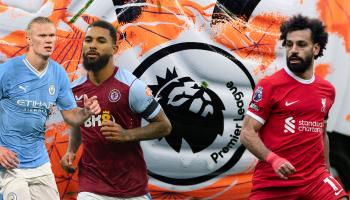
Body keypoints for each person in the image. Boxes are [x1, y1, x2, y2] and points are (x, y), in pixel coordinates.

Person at [60, 20, 172, 200]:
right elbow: (77, 124)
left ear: (114, 48)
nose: (93, 45)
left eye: (101, 41)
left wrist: (127, 135)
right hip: (91, 187)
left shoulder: (131, 87)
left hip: (131, 189)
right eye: (88, 40)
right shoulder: (75, 90)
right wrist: (71, 151)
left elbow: (165, 126)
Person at [240, 15, 348, 200]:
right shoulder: (270, 85)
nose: (293, 50)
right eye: (289, 45)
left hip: (315, 180)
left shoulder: (327, 90)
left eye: (301, 45)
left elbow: (322, 133)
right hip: (273, 184)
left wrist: (326, 172)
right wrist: (273, 159)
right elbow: (246, 133)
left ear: (316, 49)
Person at [0, 17, 101, 200]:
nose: (49, 40)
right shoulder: (8, 71)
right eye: (42, 35)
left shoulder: (58, 73)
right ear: (29, 39)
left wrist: (86, 111)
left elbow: (71, 117)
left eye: (52, 35)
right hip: (10, 164)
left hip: (40, 163)